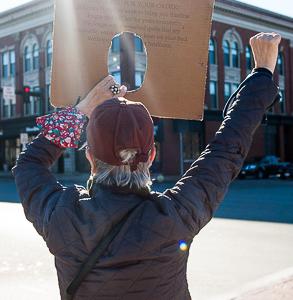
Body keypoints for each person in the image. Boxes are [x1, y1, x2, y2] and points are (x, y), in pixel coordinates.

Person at [13, 32, 281, 300]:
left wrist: (82, 109)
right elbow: (228, 146)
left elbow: (28, 164)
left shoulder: (62, 216)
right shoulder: (176, 215)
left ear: (90, 157)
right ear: (152, 155)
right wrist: (262, 73)